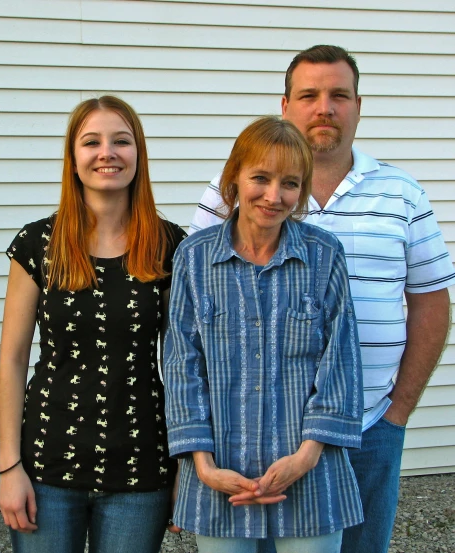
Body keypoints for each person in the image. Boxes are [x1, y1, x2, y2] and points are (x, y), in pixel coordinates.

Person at [189, 45, 455, 553]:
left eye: (339, 95)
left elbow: (431, 301)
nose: (324, 108)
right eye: (309, 95)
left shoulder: (401, 193)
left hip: (370, 424)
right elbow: (194, 305)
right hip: (251, 434)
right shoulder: (232, 194)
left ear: (359, 105)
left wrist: (398, 411)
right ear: (284, 105)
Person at [0, 95, 186, 553]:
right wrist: (8, 467)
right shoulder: (37, 244)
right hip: (46, 463)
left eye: (121, 141)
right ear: (73, 158)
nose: (107, 153)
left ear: (138, 155)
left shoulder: (169, 245)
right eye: (91, 142)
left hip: (140, 466)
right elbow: (12, 359)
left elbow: (183, 366)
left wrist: (186, 468)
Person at [165, 115, 363, 553]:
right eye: (260, 177)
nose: (274, 196)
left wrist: (306, 456)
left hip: (310, 472)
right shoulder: (193, 260)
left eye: (290, 183)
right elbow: (182, 365)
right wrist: (202, 464)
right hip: (221, 477)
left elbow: (341, 361)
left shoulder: (323, 255)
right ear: (234, 178)